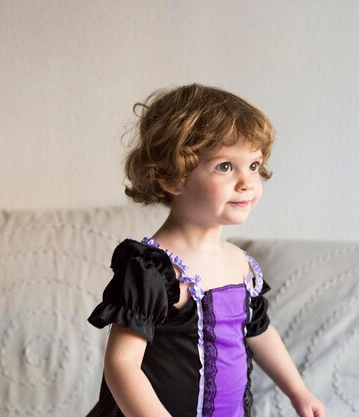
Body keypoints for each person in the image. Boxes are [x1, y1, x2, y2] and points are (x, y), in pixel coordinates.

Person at [87, 84, 325, 417]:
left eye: (254, 166)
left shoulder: (238, 262)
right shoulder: (153, 270)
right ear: (173, 178)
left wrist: (298, 391)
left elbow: (259, 330)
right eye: (225, 166)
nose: (247, 182)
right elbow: (121, 364)